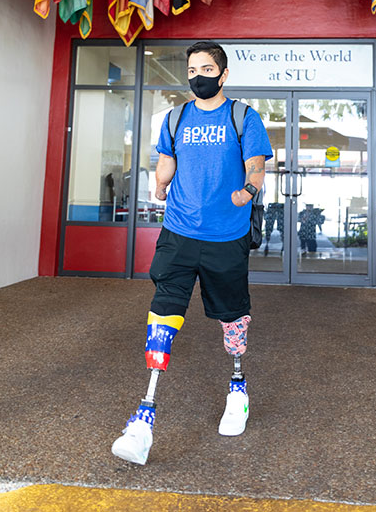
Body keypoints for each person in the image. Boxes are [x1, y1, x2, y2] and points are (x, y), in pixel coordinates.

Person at [111, 40, 273, 465]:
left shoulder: (244, 116)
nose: (197, 76)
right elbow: (168, 160)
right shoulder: (175, 116)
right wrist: (160, 185)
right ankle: (142, 421)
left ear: (222, 74)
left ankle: (237, 391)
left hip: (226, 236)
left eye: (206, 68)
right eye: (192, 69)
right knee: (163, 310)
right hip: (179, 231)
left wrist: (249, 190)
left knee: (232, 315)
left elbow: (257, 163)